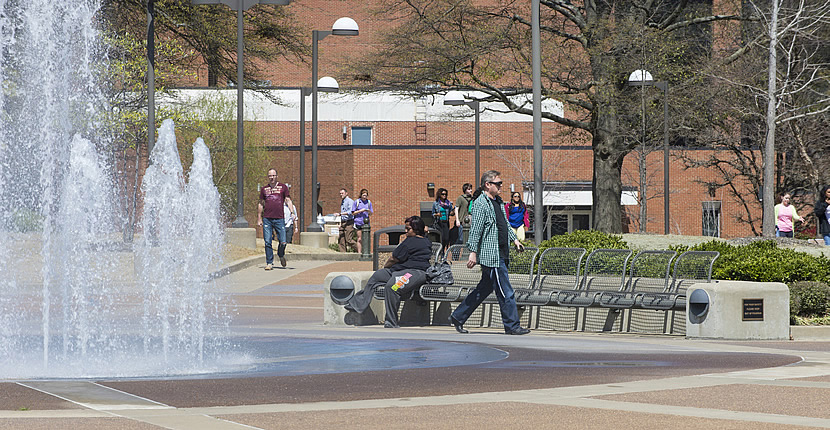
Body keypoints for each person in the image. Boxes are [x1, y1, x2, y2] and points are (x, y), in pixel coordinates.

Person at [449, 170, 530, 336]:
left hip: (502, 252)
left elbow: (505, 224)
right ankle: (512, 326)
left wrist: (515, 240)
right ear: (487, 184)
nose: (501, 186)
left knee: (483, 289)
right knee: (506, 291)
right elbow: (476, 229)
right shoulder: (481, 203)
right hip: (492, 255)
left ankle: (458, 316)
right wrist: (472, 252)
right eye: (498, 183)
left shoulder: (498, 202)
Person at [344, 216, 432, 328]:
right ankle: (357, 304)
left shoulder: (417, 242)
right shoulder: (419, 240)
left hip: (412, 273)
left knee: (392, 287)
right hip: (398, 271)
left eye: (408, 229)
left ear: (416, 229)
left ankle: (391, 321)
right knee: (377, 276)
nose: (405, 231)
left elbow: (393, 259)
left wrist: (386, 266)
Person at [257, 169, 296, 270]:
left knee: (283, 241)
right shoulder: (264, 189)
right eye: (270, 176)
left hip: (279, 218)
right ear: (268, 177)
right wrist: (259, 218)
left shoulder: (283, 187)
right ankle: (269, 262)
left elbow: (288, 200)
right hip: (267, 219)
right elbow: (261, 203)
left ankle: (281, 254)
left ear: (277, 176)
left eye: (273, 175)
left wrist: (292, 212)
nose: (272, 177)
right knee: (267, 241)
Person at [432, 188, 455, 254]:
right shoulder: (436, 203)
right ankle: (441, 253)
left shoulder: (448, 203)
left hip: (446, 222)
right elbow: (432, 214)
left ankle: (444, 251)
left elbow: (451, 213)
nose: (444, 195)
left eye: (445, 194)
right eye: (443, 194)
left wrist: (453, 212)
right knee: (441, 238)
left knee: (446, 238)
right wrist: (437, 214)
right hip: (439, 222)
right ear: (439, 195)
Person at [353, 188, 374, 254]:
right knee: (359, 238)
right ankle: (359, 252)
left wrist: (368, 211)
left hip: (366, 223)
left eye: (366, 196)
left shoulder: (368, 202)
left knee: (366, 238)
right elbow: (353, 212)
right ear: (361, 195)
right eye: (363, 195)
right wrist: (360, 211)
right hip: (358, 222)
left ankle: (366, 252)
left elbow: (371, 213)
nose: (365, 197)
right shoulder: (357, 202)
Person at [338, 188, 357, 252]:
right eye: (340, 193)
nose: (341, 195)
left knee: (348, 239)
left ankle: (360, 250)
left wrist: (340, 214)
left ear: (346, 193)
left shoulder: (350, 201)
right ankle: (343, 253)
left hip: (349, 222)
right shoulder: (343, 201)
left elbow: (351, 211)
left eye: (342, 193)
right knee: (341, 239)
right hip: (343, 222)